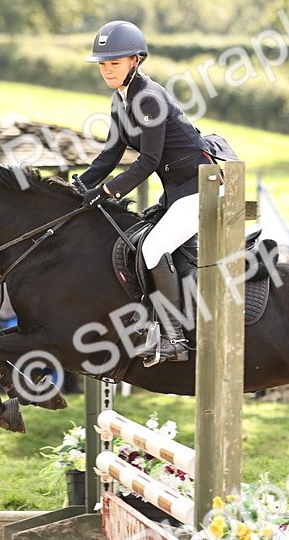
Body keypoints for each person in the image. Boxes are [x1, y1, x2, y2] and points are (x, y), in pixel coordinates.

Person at [74, 20, 236, 367]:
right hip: (178, 192)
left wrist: (108, 191)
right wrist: (81, 186)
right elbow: (111, 154)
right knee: (134, 243)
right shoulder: (121, 99)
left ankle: (174, 337)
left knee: (153, 247)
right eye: (103, 64)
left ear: (136, 60)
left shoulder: (148, 98)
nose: (106, 70)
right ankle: (150, 324)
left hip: (201, 188)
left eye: (113, 63)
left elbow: (147, 160)